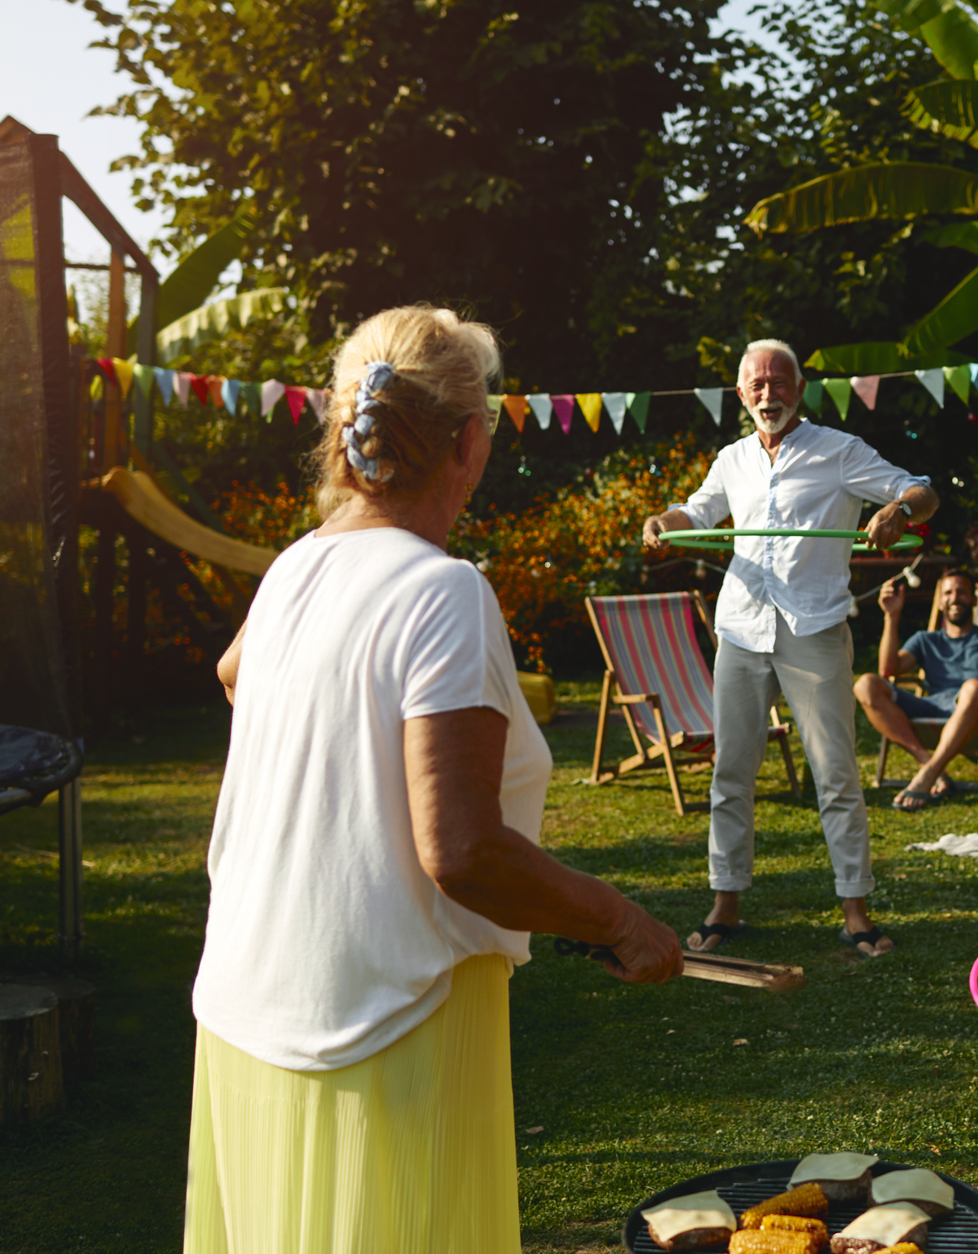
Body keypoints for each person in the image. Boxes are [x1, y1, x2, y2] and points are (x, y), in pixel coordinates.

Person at [186, 306, 683, 1254]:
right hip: (384, 1024)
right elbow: (459, 852)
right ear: (469, 441)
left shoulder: (295, 568)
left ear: (346, 436)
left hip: (249, 1007)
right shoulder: (440, 589)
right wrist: (618, 918)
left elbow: (232, 671)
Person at [642, 339, 938, 959]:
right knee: (732, 772)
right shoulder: (732, 459)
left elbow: (920, 491)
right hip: (742, 629)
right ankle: (726, 903)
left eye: (779, 383)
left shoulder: (838, 451)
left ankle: (855, 911)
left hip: (815, 629)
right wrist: (663, 525)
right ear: (742, 393)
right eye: (756, 385)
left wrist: (898, 514)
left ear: (799, 389)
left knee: (835, 772)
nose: (767, 394)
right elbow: (696, 512)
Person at [855, 567, 978, 810]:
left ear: (973, 599)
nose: (955, 598)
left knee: (972, 687)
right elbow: (888, 670)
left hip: (976, 711)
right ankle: (930, 767)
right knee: (865, 684)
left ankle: (928, 774)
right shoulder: (926, 639)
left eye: (962, 592)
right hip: (931, 707)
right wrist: (891, 616)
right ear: (940, 601)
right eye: (948, 592)